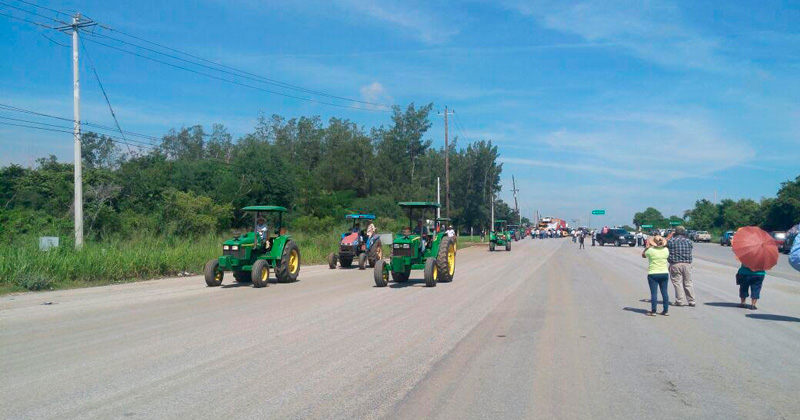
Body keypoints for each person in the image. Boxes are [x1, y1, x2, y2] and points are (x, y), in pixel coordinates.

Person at [667, 226, 695, 307]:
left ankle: (680, 301)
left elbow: (664, 244)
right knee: (688, 282)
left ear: (675, 232)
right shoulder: (689, 241)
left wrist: (670, 235)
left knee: (677, 283)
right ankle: (691, 301)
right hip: (687, 264)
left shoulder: (671, 241)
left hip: (675, 264)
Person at [642, 234, 670, 316]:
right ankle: (665, 310)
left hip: (653, 273)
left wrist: (647, 247)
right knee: (665, 292)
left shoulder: (650, 250)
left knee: (654, 293)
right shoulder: (666, 250)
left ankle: (653, 311)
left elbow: (643, 255)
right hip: (664, 273)